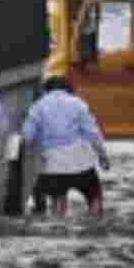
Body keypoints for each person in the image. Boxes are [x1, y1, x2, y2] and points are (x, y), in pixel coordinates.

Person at [21, 78, 110, 219]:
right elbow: (93, 133)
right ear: (69, 90)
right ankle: (95, 218)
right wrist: (103, 156)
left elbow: (27, 137)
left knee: (57, 208)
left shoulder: (37, 107)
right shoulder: (79, 104)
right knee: (95, 198)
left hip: (53, 166)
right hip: (82, 165)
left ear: (45, 90)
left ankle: (58, 220)